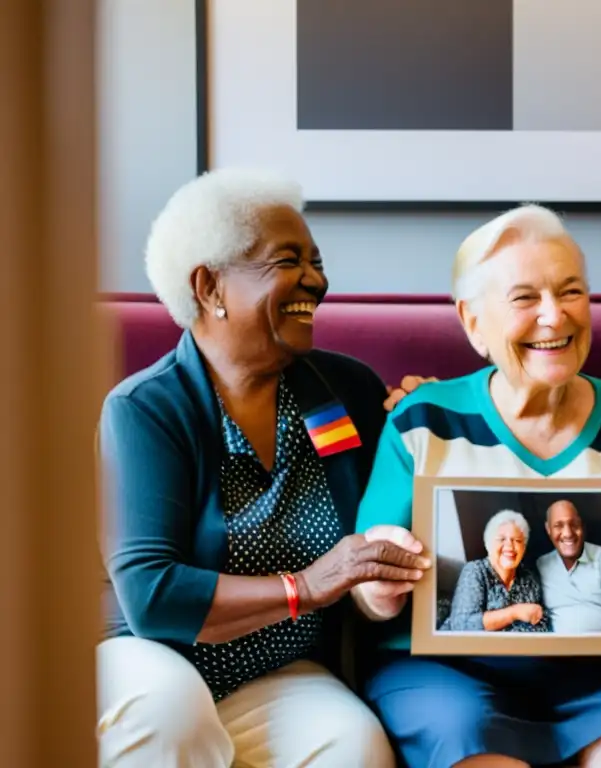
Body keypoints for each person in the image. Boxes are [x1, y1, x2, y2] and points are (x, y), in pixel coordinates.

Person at [350, 204, 601, 768]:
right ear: (473, 321)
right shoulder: (422, 419)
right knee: (464, 735)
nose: (555, 318)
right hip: (449, 674)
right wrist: (378, 590)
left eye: (572, 292)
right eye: (525, 298)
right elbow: (367, 569)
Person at [96, 168, 429, 768]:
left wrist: (428, 425)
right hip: (153, 656)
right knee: (170, 713)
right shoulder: (146, 410)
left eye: (317, 261)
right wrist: (306, 586)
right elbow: (151, 594)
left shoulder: (344, 389)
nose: (317, 280)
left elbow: (393, 518)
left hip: (277, 667)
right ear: (209, 286)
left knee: (353, 746)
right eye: (288, 260)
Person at [535, 499, 601, 633]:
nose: (568, 533)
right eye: (558, 526)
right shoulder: (541, 565)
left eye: (573, 524)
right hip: (559, 651)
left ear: (582, 526)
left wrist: (598, 648)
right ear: (548, 529)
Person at [441, 510, 550, 633]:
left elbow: (541, 623)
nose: (509, 546)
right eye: (501, 539)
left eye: (517, 541)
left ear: (523, 548)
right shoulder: (475, 571)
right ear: (488, 544)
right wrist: (514, 612)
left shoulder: (529, 578)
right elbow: (462, 625)